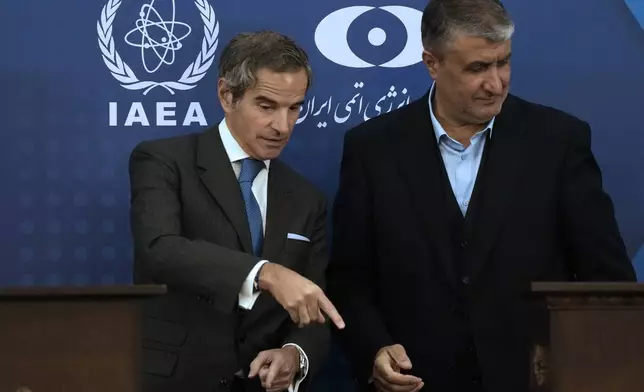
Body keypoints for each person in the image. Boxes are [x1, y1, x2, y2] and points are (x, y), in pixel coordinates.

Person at [326, 1, 636, 391]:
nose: (496, 83)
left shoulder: (558, 142)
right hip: (417, 383)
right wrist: (374, 350)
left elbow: (606, 283)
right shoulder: (372, 149)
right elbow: (349, 280)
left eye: (502, 63)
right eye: (477, 68)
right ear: (431, 63)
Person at [129, 31, 344, 392]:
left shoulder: (308, 199)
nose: (283, 126)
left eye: (294, 108)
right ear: (227, 96)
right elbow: (160, 249)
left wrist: (295, 353)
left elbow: (313, 303)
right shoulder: (164, 161)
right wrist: (266, 273)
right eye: (266, 106)